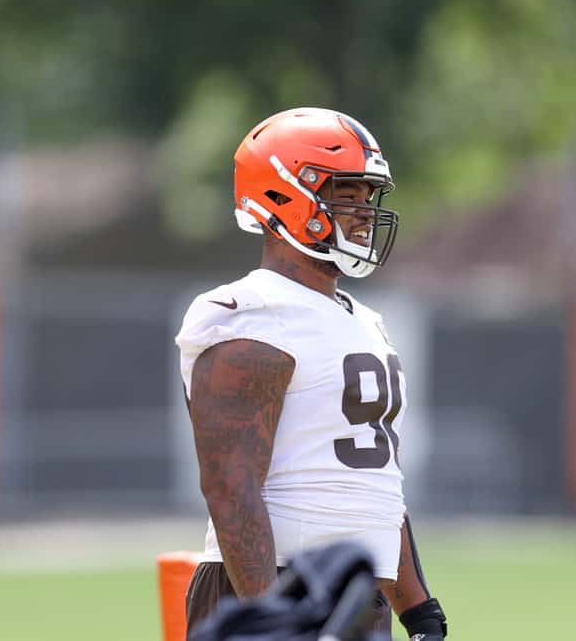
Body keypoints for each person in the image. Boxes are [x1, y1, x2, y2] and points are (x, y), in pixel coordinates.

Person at [175, 107, 447, 639]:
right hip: (273, 588)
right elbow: (230, 485)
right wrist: (270, 616)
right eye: (346, 194)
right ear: (281, 195)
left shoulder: (364, 321)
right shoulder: (251, 314)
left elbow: (375, 486)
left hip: (353, 596)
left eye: (369, 196)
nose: (364, 212)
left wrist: (417, 608)